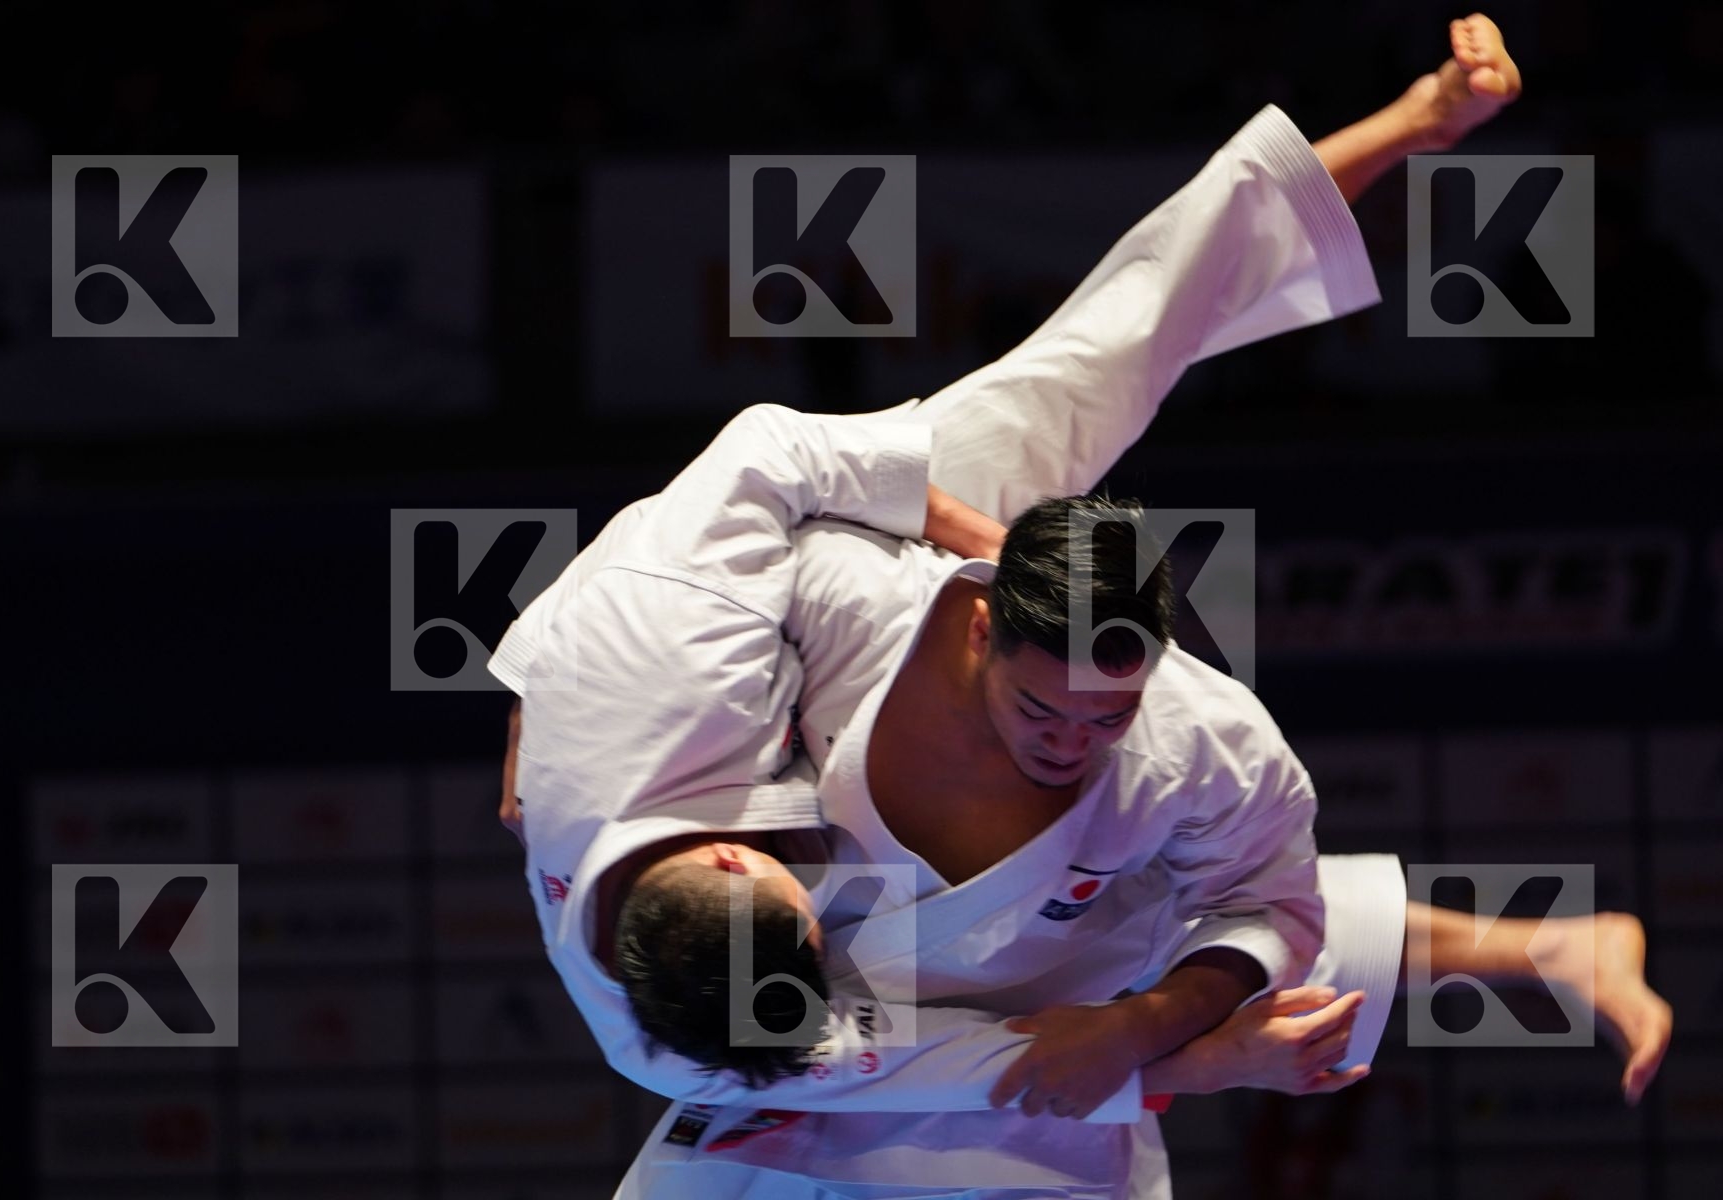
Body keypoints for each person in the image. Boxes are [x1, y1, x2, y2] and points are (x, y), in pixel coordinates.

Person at [493, 16, 1608, 1199]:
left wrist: (1000, 550)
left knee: (1114, 346)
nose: (824, 928)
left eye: (798, 921)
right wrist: (1179, 1058)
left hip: (877, 526)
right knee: (1061, 904)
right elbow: (849, 1057)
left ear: (725, 854)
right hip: (825, 672)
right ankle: (1527, 947)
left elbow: (770, 453)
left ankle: (1419, 119)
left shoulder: (665, 656)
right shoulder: (650, 1018)